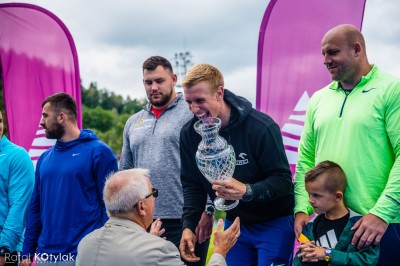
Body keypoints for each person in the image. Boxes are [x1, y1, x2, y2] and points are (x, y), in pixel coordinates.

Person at [294, 24, 400, 265]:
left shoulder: (393, 89)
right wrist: (302, 207)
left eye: (332, 52)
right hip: (327, 224)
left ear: (356, 49)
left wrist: (381, 214)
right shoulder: (319, 99)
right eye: (323, 54)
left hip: (379, 225)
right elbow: (306, 159)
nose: (325, 60)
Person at [179, 63, 295, 266]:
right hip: (236, 223)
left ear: (219, 93)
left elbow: (283, 182)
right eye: (189, 102)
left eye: (200, 100)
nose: (194, 109)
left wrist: (246, 190)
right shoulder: (190, 133)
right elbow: (192, 185)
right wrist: (188, 225)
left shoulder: (261, 127)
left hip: (274, 221)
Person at [119, 56, 213, 265]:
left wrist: (208, 209)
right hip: (143, 221)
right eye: (148, 82)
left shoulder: (192, 113)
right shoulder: (134, 122)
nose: (153, 87)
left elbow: (208, 164)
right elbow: (125, 173)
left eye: (159, 81)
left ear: (173, 79)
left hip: (187, 220)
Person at [21, 93, 118, 265]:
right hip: (45, 256)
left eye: (45, 115)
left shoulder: (100, 153)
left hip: (82, 256)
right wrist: (27, 252)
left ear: (61, 117)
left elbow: (111, 209)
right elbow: (35, 208)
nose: (41, 122)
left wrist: (100, 249)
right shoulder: (44, 158)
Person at [76, 168, 240, 266]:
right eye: (153, 193)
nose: (154, 198)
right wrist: (220, 251)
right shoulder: (159, 250)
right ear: (141, 206)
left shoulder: (86, 244)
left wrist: (145, 240)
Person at [294, 161, 379, 265]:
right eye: (309, 195)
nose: (310, 200)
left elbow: (367, 261)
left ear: (338, 196)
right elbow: (298, 261)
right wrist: (304, 257)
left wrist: (327, 254)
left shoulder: (359, 225)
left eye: (316, 195)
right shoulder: (310, 226)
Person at [0, 110, 34, 266]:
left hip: (8, 251)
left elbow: (19, 206)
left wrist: (3, 249)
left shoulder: (17, 156)